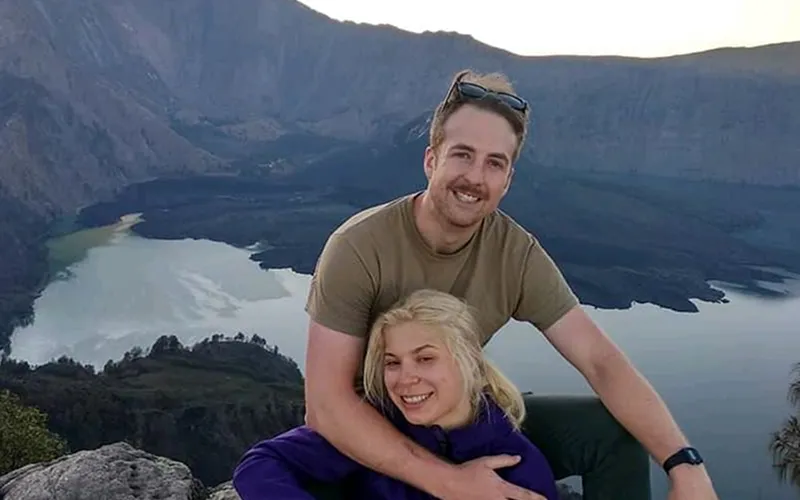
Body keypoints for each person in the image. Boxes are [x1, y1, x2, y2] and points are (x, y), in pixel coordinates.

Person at [302, 68, 719, 500]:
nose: (475, 177)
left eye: (494, 163)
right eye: (462, 154)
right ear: (431, 160)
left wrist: (684, 464)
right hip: (374, 443)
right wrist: (451, 482)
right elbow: (327, 407)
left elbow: (600, 361)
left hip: (461, 427)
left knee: (611, 434)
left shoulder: (514, 253)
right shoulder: (358, 247)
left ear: (507, 181)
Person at [232, 289, 559, 500]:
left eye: (425, 358)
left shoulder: (517, 472)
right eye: (392, 362)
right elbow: (260, 464)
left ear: (469, 361)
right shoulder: (377, 427)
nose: (405, 379)